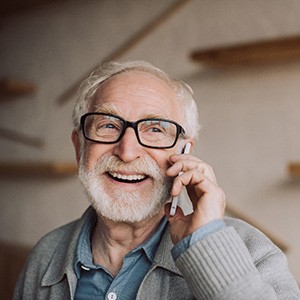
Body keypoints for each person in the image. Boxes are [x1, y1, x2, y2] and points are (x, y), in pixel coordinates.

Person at [14, 60, 300, 300]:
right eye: (108, 125)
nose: (127, 152)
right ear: (80, 148)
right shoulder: (45, 256)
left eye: (154, 129)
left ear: (185, 152)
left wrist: (207, 246)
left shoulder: (253, 252)